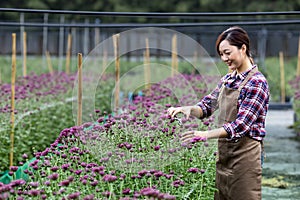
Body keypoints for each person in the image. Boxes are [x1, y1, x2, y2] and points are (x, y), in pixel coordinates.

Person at [168, 26, 269, 200]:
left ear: (243, 48)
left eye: (228, 53)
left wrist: (204, 134)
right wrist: (188, 109)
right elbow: (207, 106)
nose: (224, 58)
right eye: (221, 54)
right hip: (224, 158)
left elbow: (240, 126)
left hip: (245, 158)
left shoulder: (257, 82)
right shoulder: (228, 79)